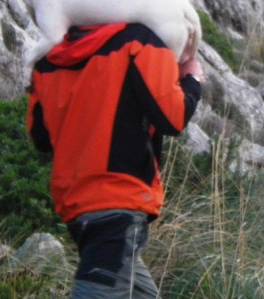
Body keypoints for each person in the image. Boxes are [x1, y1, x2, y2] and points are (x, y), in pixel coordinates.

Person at [27, 21, 203, 297]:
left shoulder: (48, 61)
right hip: (120, 200)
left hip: (77, 206)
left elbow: (40, 137)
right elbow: (173, 117)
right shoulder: (139, 42)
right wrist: (192, 81)